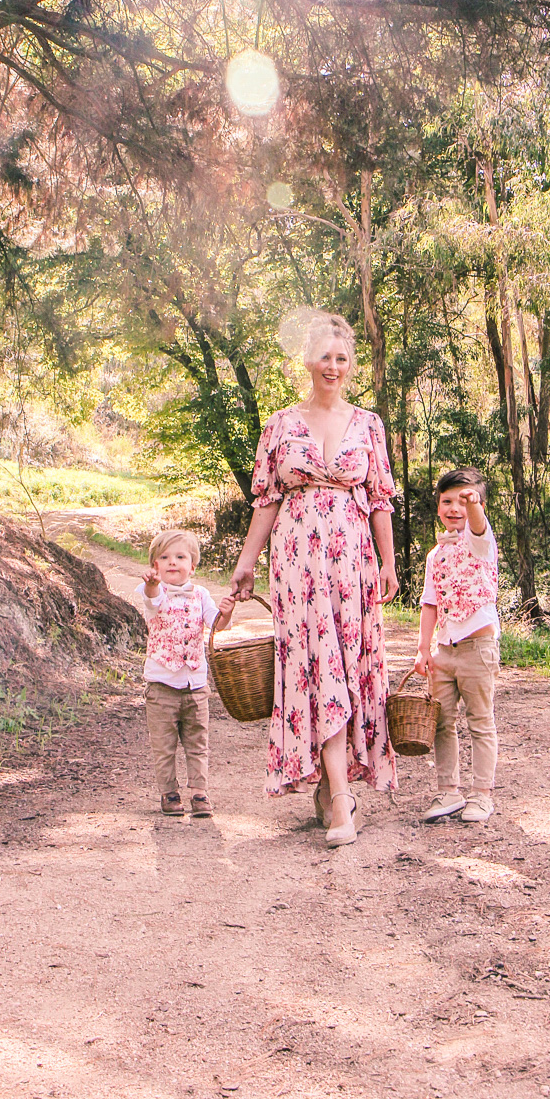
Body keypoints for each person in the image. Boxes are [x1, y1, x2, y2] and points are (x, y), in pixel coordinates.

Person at [229, 312, 398, 847]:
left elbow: (380, 501)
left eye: (342, 358)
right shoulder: (280, 423)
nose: (333, 366)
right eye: (324, 356)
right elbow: (267, 500)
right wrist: (246, 560)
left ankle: (336, 786)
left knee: (347, 665)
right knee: (314, 664)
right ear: (306, 360)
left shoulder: (368, 424)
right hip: (298, 563)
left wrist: (389, 563)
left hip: (351, 562)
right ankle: (341, 797)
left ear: (351, 365)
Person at [416, 467, 500, 825]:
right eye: (447, 500)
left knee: (480, 721)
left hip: (478, 647)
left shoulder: (480, 541)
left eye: (463, 500)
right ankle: (448, 789)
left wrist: (474, 505)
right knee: (442, 722)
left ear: (478, 503)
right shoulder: (435, 555)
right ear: (437, 506)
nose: (455, 507)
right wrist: (424, 649)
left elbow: (478, 524)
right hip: (445, 651)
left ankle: (481, 795)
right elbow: (430, 602)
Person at [136, 528, 235, 819]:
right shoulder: (152, 592)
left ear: (193, 565)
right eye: (164, 557)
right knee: (164, 745)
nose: (172, 563)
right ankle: (169, 793)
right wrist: (153, 586)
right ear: (154, 566)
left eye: (180, 557)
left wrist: (226, 612)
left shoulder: (200, 594)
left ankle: (200, 793)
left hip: (194, 685)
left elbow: (217, 625)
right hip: (161, 685)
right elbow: (152, 600)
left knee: (197, 742)